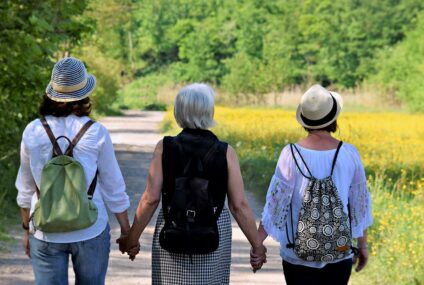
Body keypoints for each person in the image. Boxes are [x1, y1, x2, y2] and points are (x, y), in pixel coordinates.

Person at [118, 83, 267, 284]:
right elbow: (238, 205)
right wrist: (257, 246)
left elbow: (150, 199)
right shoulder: (225, 152)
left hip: (173, 225)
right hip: (213, 228)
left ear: (178, 112)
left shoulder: (165, 147)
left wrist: (132, 239)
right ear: (209, 111)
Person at [16, 57, 132, 285]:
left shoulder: (33, 131)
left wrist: (26, 229)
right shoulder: (96, 132)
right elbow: (113, 186)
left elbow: (25, 186)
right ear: (85, 94)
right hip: (91, 228)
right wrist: (127, 232)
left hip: (46, 230)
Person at [258, 85, 372, 285]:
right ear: (333, 119)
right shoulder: (349, 153)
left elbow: (276, 206)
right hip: (339, 251)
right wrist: (362, 246)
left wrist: (257, 244)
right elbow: (359, 206)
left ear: (305, 120)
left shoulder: (290, 154)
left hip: (297, 255)